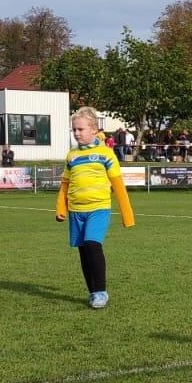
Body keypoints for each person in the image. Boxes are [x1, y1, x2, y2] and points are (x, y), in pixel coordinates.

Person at [55, 106, 135, 309]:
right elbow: (65, 184)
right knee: (83, 251)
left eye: (80, 129)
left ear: (93, 129)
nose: (76, 133)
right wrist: (61, 208)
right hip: (76, 211)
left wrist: (127, 216)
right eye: (74, 130)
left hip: (99, 208)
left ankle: (100, 291)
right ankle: (92, 292)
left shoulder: (106, 154)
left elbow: (118, 185)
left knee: (92, 244)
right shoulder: (71, 156)